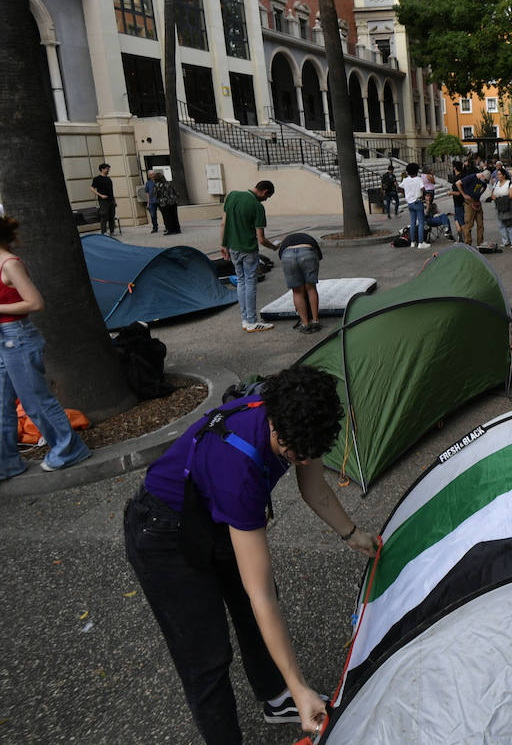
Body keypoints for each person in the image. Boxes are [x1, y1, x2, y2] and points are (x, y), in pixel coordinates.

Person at [124, 364, 379, 745]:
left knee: (249, 608)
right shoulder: (239, 471)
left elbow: (314, 488)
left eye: (311, 453)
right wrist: (301, 685)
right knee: (207, 655)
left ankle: (276, 698)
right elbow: (262, 598)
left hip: (211, 511)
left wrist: (352, 534)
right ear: (274, 425)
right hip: (162, 533)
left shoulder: (292, 419)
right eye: (295, 454)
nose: (303, 461)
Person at [0, 212, 92, 484]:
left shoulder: (10, 264)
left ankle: (69, 450)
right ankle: (2, 463)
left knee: (35, 401)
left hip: (17, 339)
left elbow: (35, 303)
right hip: (0, 339)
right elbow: (6, 299)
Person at [220, 181, 278, 333]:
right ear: (265, 192)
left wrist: (223, 244)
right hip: (248, 249)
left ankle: (245, 319)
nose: (266, 200)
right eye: (268, 197)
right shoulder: (257, 207)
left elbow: (223, 224)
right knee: (250, 283)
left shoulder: (232, 196)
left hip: (233, 247)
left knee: (241, 281)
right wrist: (274, 247)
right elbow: (261, 239)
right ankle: (252, 321)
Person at [276, 231, 323, 333]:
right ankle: (315, 321)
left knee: (297, 292)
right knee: (311, 288)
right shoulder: (309, 239)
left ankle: (305, 324)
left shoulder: (286, 242)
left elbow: (281, 256)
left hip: (287, 255)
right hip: (308, 252)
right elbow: (318, 256)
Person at [457, 166, 490, 246]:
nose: (485, 182)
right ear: (482, 176)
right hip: (469, 202)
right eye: (485, 180)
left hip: (477, 201)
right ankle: (468, 243)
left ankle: (480, 242)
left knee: (480, 224)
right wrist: (464, 195)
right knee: (469, 224)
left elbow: (483, 188)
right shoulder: (471, 177)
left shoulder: (484, 183)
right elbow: (458, 183)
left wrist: (478, 196)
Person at [399, 163, 429, 249]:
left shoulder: (405, 180)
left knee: (412, 222)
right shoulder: (418, 179)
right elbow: (423, 189)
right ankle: (421, 242)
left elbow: (399, 188)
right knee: (420, 222)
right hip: (417, 202)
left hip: (409, 203)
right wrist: (423, 196)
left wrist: (405, 194)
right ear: (416, 170)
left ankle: (412, 242)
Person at [490, 166, 512, 248]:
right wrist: (495, 198)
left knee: (509, 223)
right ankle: (505, 241)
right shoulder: (496, 184)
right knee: (501, 224)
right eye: (497, 175)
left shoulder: (509, 183)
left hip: (507, 206)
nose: (498, 176)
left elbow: (511, 195)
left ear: (504, 175)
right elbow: (492, 194)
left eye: (499, 174)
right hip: (498, 206)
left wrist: (500, 198)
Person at [91, 163, 116, 235]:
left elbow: (111, 191)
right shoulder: (97, 179)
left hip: (111, 200)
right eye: (107, 169)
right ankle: (104, 232)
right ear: (102, 169)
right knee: (104, 215)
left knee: (112, 216)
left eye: (109, 169)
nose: (108, 170)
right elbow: (92, 188)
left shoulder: (108, 179)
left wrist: (114, 200)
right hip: (103, 201)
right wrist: (100, 195)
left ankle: (112, 231)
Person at [447, 159, 466, 234]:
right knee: (457, 219)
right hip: (464, 201)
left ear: (454, 168)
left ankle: (466, 237)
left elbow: (458, 193)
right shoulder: (464, 176)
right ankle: (460, 236)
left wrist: (450, 193)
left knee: (460, 220)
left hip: (458, 202)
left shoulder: (456, 179)